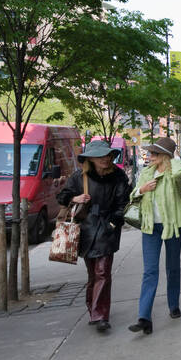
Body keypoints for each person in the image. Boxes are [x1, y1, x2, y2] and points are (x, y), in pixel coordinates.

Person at [57, 141, 131, 333]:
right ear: (90, 159)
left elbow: (123, 203)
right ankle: (93, 308)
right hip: (86, 229)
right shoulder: (79, 176)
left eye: (107, 155)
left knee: (103, 272)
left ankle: (100, 315)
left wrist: (114, 222)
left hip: (107, 228)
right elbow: (62, 196)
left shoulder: (118, 176)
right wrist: (75, 198)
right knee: (93, 274)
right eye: (100, 156)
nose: (105, 159)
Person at [130, 137, 181, 335]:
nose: (150, 156)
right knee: (150, 271)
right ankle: (144, 317)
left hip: (173, 225)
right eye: (150, 153)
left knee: (172, 267)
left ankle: (174, 305)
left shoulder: (174, 172)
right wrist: (142, 189)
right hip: (150, 227)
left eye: (154, 153)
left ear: (164, 155)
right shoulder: (146, 173)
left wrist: (172, 157)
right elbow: (133, 195)